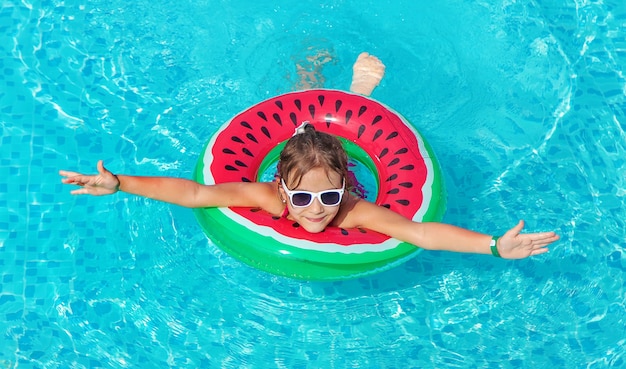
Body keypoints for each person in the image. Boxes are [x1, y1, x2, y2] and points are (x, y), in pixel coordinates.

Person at [60, 52, 559, 259]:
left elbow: (422, 231)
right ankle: (321, 81)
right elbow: (194, 192)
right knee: (305, 101)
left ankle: (358, 92)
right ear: (282, 189)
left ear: (342, 186)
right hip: (298, 144)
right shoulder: (269, 197)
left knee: (340, 120)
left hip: (342, 153)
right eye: (302, 195)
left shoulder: (350, 207)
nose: (316, 206)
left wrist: (494, 246)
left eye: (326, 193)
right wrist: (119, 183)